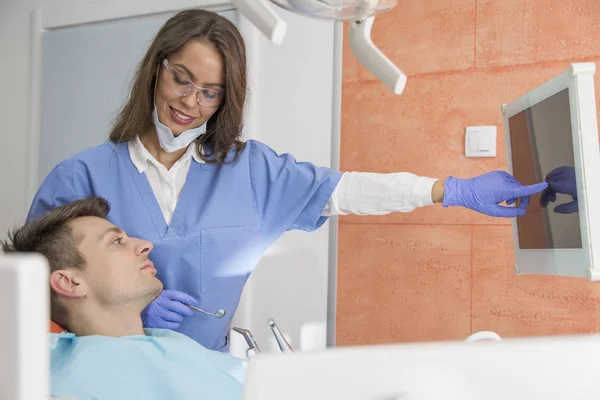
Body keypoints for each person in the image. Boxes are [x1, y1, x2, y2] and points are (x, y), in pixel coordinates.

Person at [26, 9, 548, 351]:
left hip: (206, 374)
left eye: (211, 92)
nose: (190, 102)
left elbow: (347, 190)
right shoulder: (80, 176)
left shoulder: (250, 172)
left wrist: (451, 189)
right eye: (181, 79)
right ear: (155, 69)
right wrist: (126, 305)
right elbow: (32, 291)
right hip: (110, 374)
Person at [2, 197, 246, 400]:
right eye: (117, 241)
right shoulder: (50, 380)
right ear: (70, 282)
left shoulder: (178, 349)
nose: (145, 245)